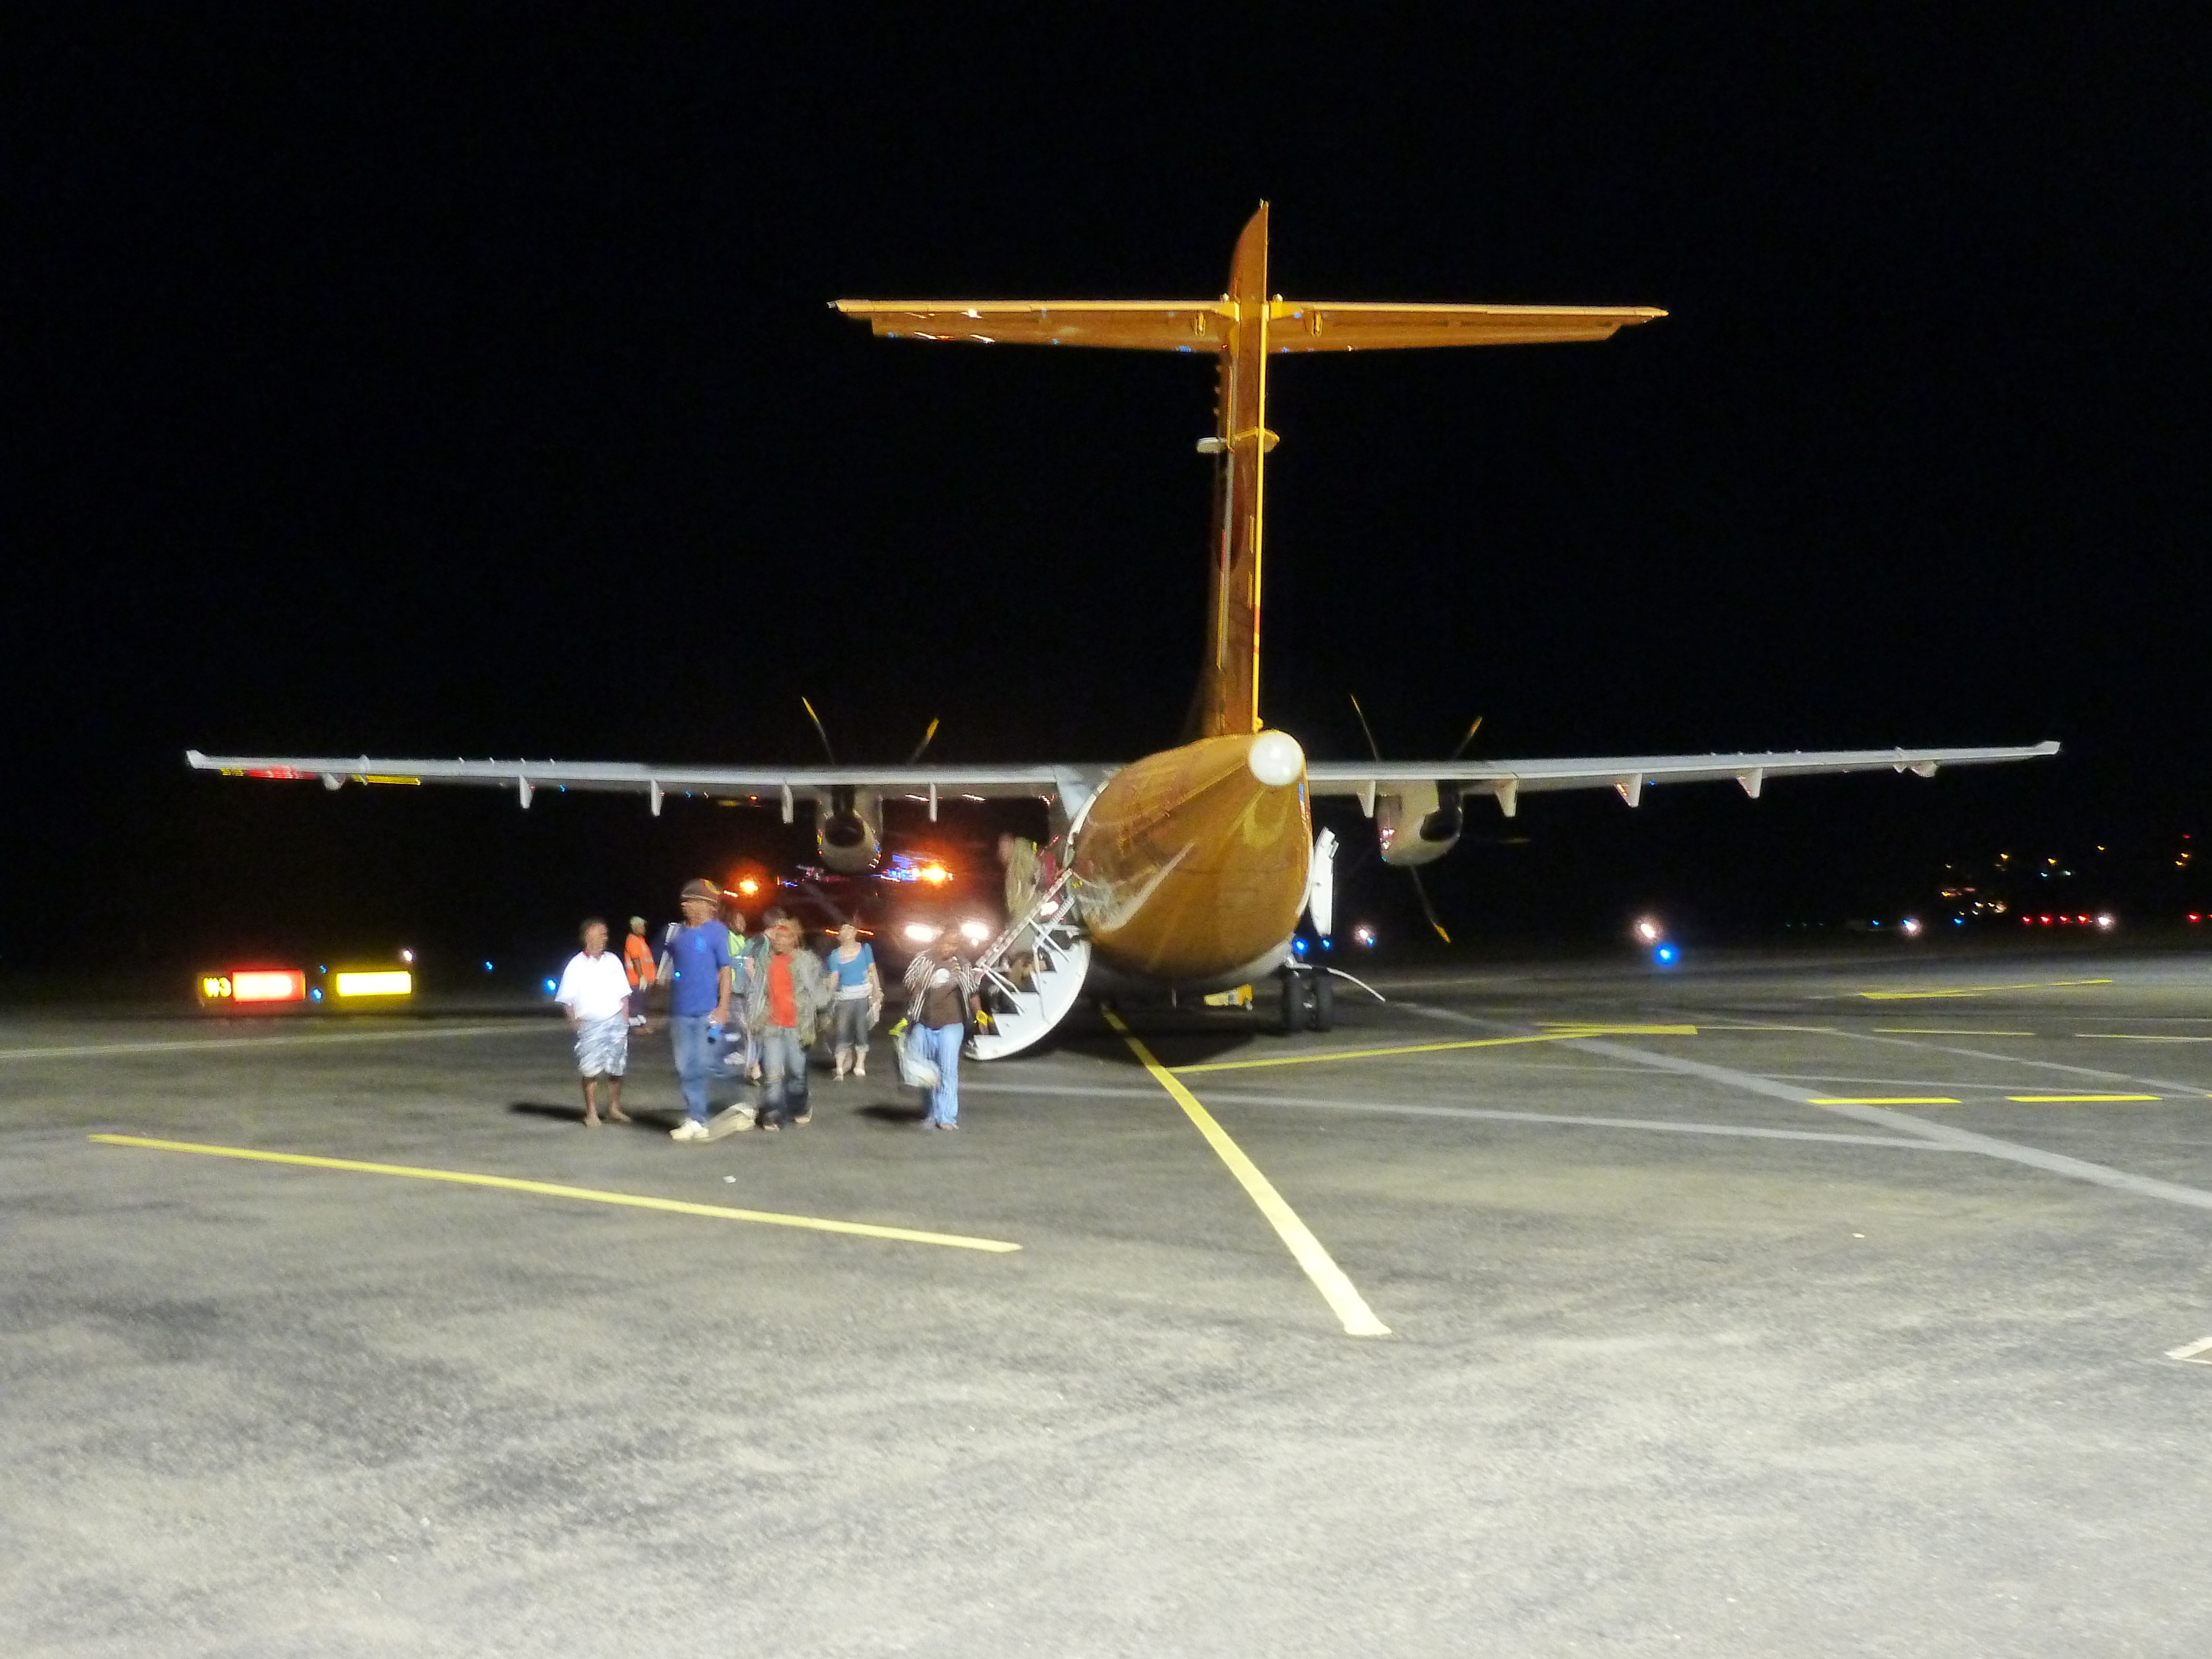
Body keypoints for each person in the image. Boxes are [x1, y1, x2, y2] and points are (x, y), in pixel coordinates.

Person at [662, 877, 736, 1142]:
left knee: (705, 1062)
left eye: (692, 901)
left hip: (708, 1012)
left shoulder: (717, 932)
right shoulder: (675, 933)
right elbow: (665, 966)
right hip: (680, 1012)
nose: (686, 905)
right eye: (685, 901)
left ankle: (740, 1098)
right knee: (685, 1067)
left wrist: (723, 1007)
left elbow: (726, 971)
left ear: (707, 905)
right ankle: (696, 1119)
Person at [746, 913, 830, 1131]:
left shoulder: (807, 962)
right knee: (773, 1073)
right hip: (772, 1025)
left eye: (784, 937)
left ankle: (800, 1105)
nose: (778, 940)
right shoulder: (766, 962)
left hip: (797, 1027)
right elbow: (757, 993)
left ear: (795, 939)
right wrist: (753, 1019)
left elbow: (819, 991)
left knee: (796, 1073)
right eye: (776, 937)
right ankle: (773, 1112)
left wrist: (825, 1015)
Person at [555, 917, 634, 1127]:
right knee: (590, 1069)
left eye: (606, 935)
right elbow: (567, 999)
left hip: (615, 1021)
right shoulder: (576, 965)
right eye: (600, 934)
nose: (604, 938)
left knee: (617, 1067)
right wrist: (575, 1024)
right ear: (587, 937)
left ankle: (614, 1108)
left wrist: (624, 1018)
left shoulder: (613, 960)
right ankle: (591, 1112)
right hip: (590, 1024)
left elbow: (624, 993)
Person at [902, 932, 978, 1130]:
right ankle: (931, 1112)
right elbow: (909, 983)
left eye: (954, 944)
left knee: (948, 1070)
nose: (950, 948)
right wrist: (923, 982)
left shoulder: (962, 964)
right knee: (927, 1071)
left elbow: (972, 991)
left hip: (952, 1023)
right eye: (947, 943)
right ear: (939, 942)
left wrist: (980, 1015)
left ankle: (947, 1117)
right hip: (923, 1022)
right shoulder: (923, 959)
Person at [826, 921, 881, 1080]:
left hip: (863, 995)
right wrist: (827, 995)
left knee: (861, 1029)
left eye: (851, 929)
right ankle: (840, 1066)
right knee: (842, 1031)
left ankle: (860, 1064)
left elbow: (872, 970)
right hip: (844, 997)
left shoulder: (865, 949)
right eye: (844, 929)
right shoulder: (835, 955)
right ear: (839, 936)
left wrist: (877, 989)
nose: (848, 931)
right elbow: (834, 977)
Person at [620, 915, 656, 1027]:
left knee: (641, 1007)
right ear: (635, 927)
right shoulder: (633, 941)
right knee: (637, 1007)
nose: (644, 929)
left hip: (643, 981)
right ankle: (636, 1029)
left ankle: (641, 1027)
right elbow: (636, 960)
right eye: (642, 927)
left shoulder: (641, 941)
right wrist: (641, 977)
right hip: (637, 981)